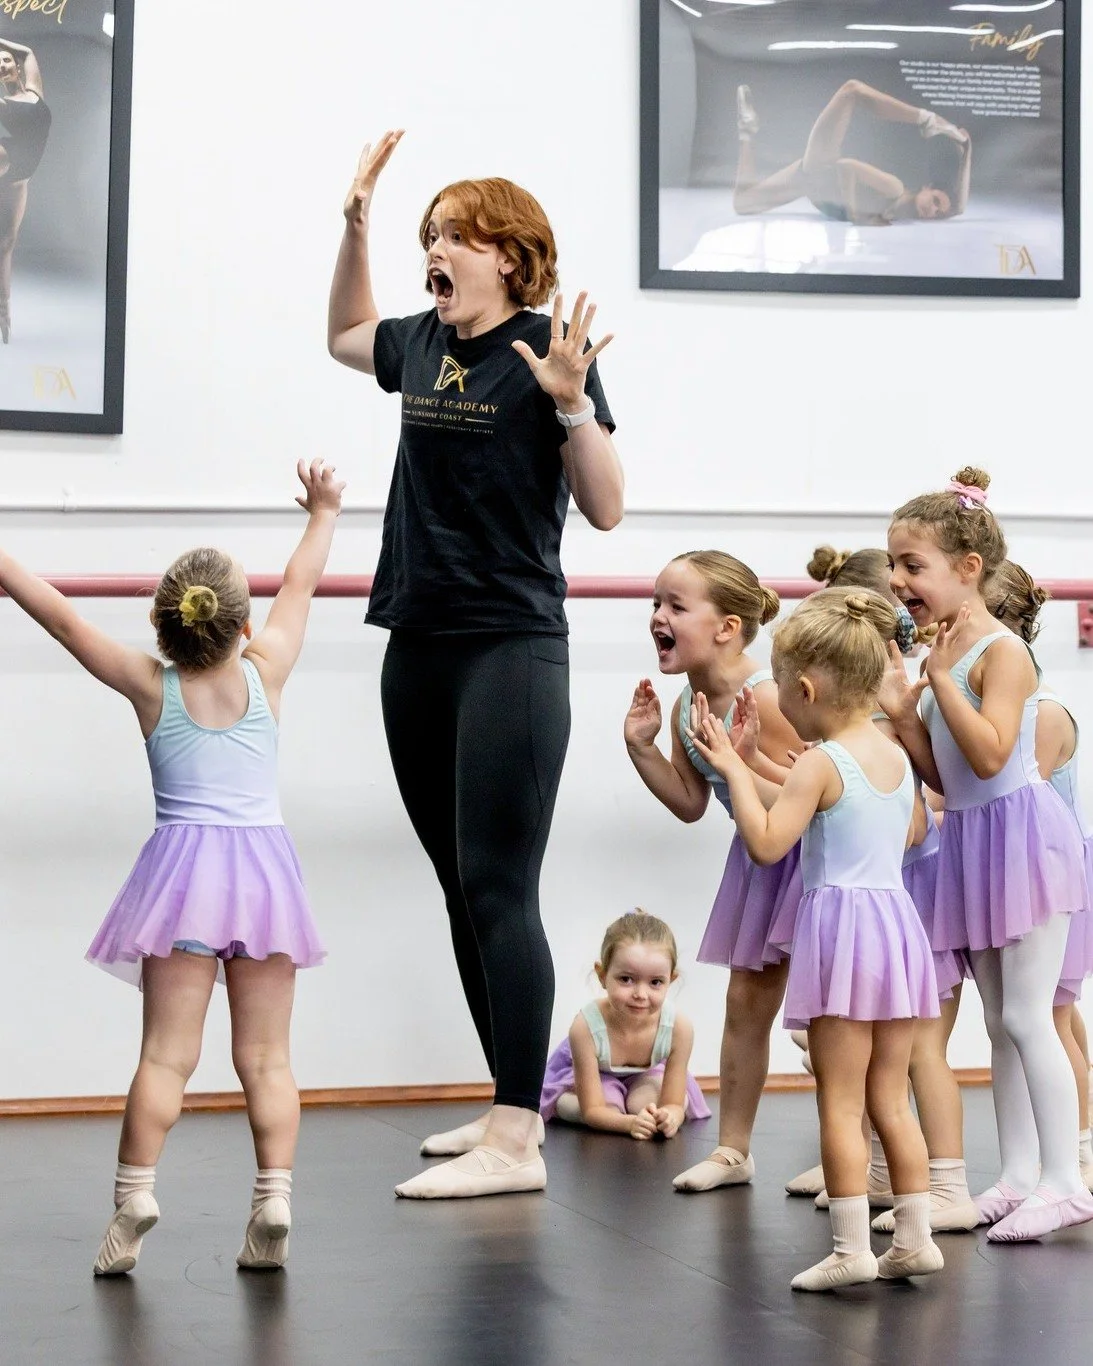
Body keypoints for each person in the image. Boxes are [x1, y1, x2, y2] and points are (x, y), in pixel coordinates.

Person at [327, 133, 623, 1199]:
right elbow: (345, 334)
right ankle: (506, 1099)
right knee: (461, 886)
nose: (434, 255)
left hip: (511, 647)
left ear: (509, 253)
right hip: (417, 641)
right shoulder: (421, 342)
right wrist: (355, 227)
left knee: (502, 885)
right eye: (427, 240)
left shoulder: (551, 351)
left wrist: (571, 404)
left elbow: (604, 506)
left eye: (451, 236)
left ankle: (516, 1136)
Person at [0, 458, 343, 1275]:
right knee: (266, 1058)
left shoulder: (150, 686)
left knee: (165, 1057)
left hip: (183, 882)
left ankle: (135, 1197)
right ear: (240, 622)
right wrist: (324, 510)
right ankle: (274, 1198)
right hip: (263, 879)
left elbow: (62, 623)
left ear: (165, 622)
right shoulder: (268, 671)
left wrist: (6, 563)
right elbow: (302, 582)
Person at [690, 587, 942, 1291]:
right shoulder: (893, 758)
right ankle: (914, 1239)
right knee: (890, 1097)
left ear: (805, 688)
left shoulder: (819, 761)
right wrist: (764, 768)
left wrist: (735, 768)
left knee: (840, 1098)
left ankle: (850, 1249)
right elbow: (907, 830)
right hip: (894, 931)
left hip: (842, 936)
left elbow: (769, 843)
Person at [884, 467, 1093, 1242]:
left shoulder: (998, 653)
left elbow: (993, 753)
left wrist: (938, 679)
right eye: (893, 563)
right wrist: (908, 722)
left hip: (1022, 839)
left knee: (1030, 1016)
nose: (897, 579)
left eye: (913, 564)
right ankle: (1014, 1174)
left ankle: (1065, 1181)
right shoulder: (950, 647)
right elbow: (946, 778)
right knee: (999, 1021)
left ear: (967, 570)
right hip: (975, 837)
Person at [790, 550, 978, 1233]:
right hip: (889, 907)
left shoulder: (852, 741)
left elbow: (767, 841)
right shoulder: (878, 741)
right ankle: (896, 1203)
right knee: (880, 1078)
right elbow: (909, 817)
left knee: (879, 1073)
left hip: (875, 907)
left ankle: (898, 1213)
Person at [624, 551, 802, 1192]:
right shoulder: (685, 704)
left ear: (727, 627)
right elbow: (691, 804)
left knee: (839, 1016)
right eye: (656, 603)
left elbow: (808, 800)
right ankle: (734, 1149)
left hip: (814, 859)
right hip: (760, 862)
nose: (657, 617)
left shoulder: (774, 697)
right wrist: (642, 749)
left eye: (675, 605)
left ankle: (871, 1156)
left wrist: (737, 760)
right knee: (746, 1004)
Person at [987, 559, 1093, 1190]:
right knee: (1050, 1015)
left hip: (1053, 873)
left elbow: (1014, 799)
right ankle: (1051, 1158)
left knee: (1051, 1016)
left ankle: (1077, 1152)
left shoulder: (1042, 712)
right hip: (1022, 870)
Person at [540, 910, 711, 1136]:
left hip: (648, 1076)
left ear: (672, 980)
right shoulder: (585, 1028)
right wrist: (628, 1124)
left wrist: (671, 1116)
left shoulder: (679, 1028)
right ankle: (578, 1103)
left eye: (656, 982)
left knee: (649, 1106)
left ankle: (635, 1108)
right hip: (593, 1078)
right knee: (598, 1107)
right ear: (602, 975)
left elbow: (673, 1102)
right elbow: (593, 1109)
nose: (640, 993)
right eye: (626, 979)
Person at [732, 79, 971, 226]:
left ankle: (747, 129)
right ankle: (927, 119)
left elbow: (958, 207)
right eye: (936, 201)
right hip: (820, 168)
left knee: (742, 204)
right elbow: (845, 167)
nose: (934, 210)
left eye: (939, 212)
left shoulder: (905, 210)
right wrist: (856, 214)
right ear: (926, 187)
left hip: (811, 185)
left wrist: (968, 150)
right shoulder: (895, 188)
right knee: (852, 90)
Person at [0, 37, 52, 344]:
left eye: (5, 60)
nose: (2, 65)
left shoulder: (34, 91)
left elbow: (28, 51)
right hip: (6, 160)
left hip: (22, 177)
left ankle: (3, 311)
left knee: (7, 243)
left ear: (17, 66)